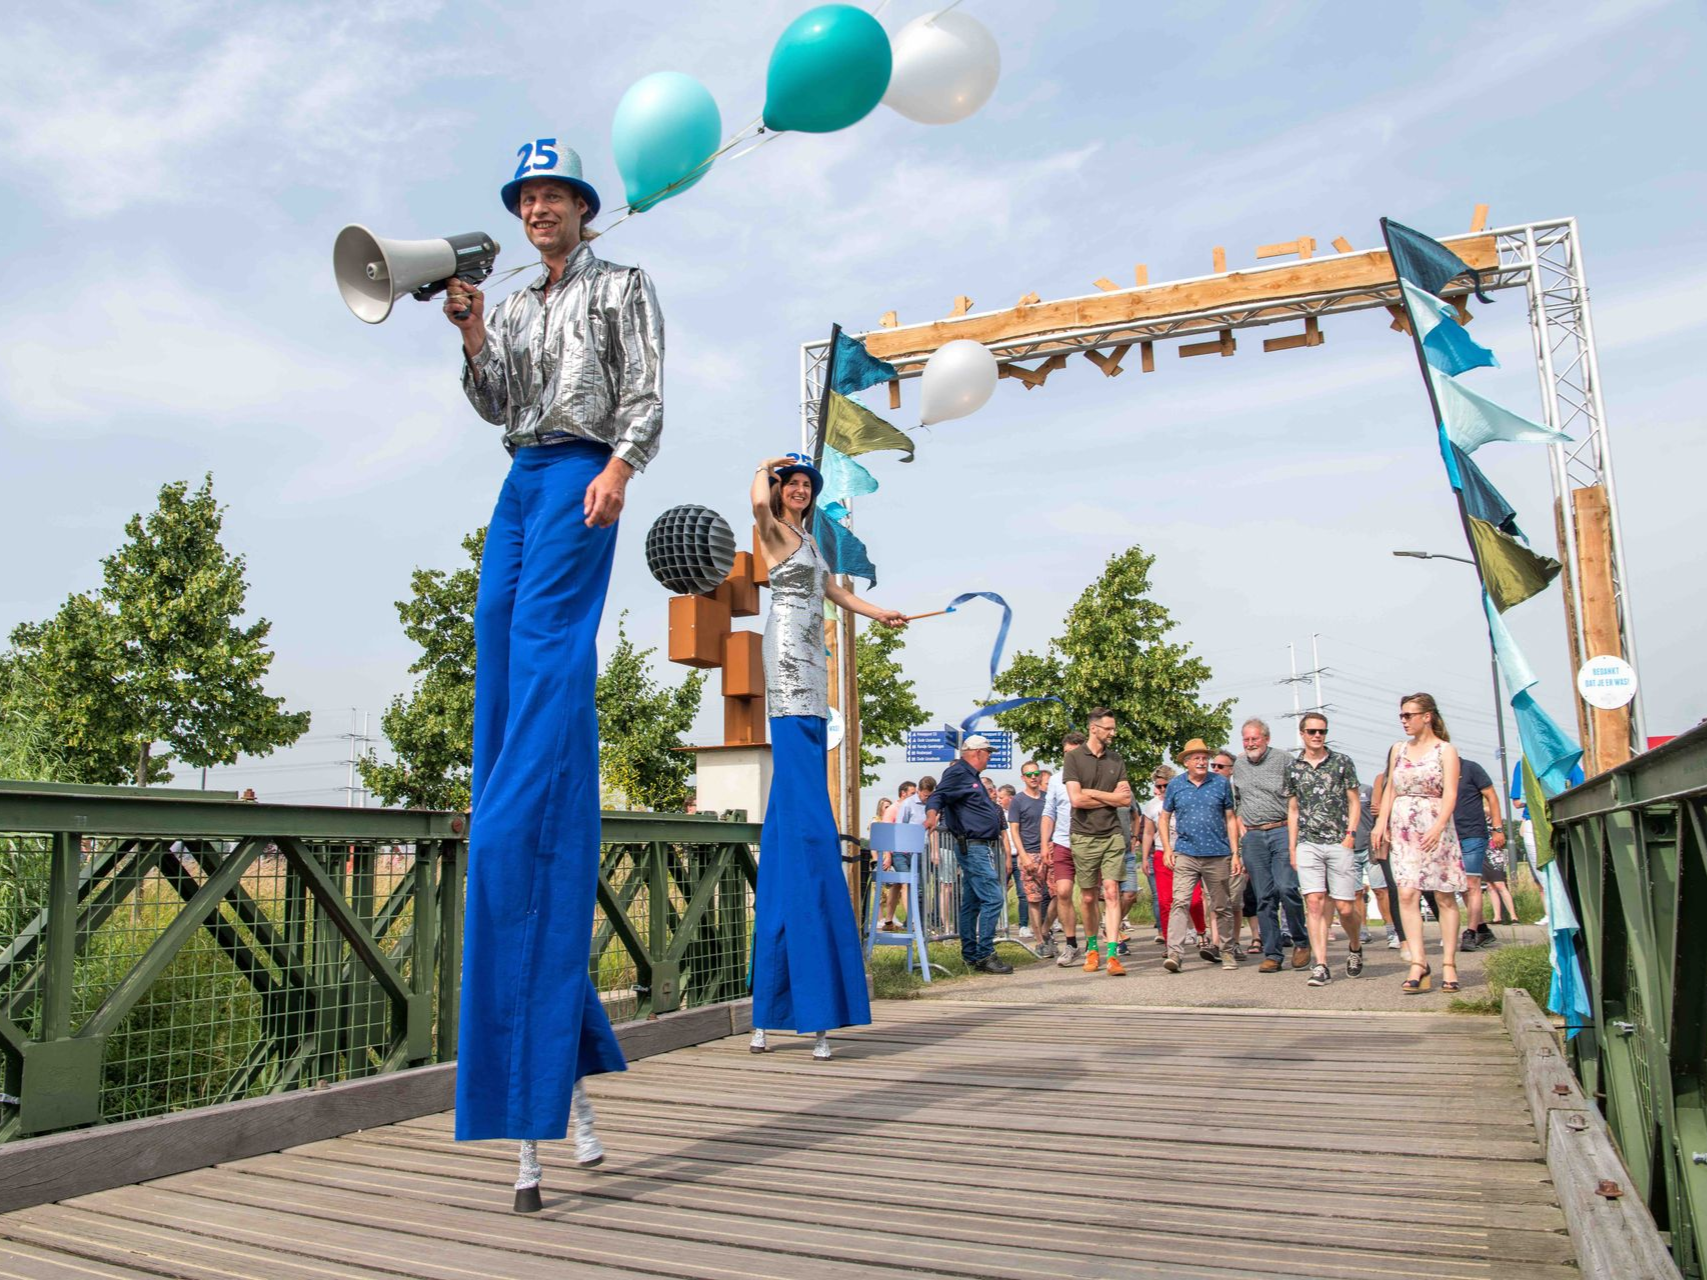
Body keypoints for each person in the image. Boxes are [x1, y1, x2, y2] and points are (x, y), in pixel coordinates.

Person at [448, 142, 662, 1209]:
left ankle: (511, 806)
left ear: (583, 208)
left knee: (542, 658)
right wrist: (476, 330)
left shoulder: (624, 285)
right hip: (521, 477)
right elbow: (497, 402)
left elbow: (648, 394)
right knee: (493, 632)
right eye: (526, 197)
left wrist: (622, 466)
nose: (540, 209)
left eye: (554, 196)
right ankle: (505, 791)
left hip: (583, 469)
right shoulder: (523, 302)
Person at [747, 453, 906, 1058]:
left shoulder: (813, 540)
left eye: (806, 486)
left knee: (790, 831)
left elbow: (838, 593)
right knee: (810, 832)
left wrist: (881, 611)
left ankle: (774, 1008)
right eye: (793, 483)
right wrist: (766, 462)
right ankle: (811, 1000)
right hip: (785, 662)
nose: (798, 491)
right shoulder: (771, 529)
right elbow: (756, 499)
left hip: (816, 669)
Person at [1371, 693, 1465, 994]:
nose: (1404, 721)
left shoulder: (1445, 750)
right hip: (1403, 829)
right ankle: (1419, 963)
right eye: (1401, 715)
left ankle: (1449, 964)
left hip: (1435, 826)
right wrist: (1380, 822)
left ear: (1427, 716)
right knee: (1407, 893)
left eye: (1409, 715)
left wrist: (1438, 827)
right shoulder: (1398, 750)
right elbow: (1390, 790)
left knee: (1443, 896)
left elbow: (1450, 793)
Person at [1283, 713, 1363, 986]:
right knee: (1314, 903)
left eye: (1322, 731)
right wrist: (1293, 847)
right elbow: (1292, 809)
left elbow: (1354, 801)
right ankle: (1321, 965)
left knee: (1345, 907)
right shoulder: (1294, 768)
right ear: (1302, 733)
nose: (1317, 736)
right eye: (1312, 731)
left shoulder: (1341, 762)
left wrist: (1351, 834)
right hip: (1308, 841)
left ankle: (1354, 945)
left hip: (1339, 840)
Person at [925, 736, 1014, 974]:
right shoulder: (958, 773)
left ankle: (971, 955)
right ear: (976, 753)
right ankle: (985, 954)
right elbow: (938, 795)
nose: (990, 756)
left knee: (972, 903)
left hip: (978, 845)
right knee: (994, 898)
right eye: (988, 752)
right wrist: (932, 814)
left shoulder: (969, 776)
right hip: (973, 846)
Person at [1160, 740, 1243, 972]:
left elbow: (1230, 818)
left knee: (1221, 905)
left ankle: (1227, 950)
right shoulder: (1176, 785)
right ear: (1186, 762)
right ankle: (1175, 953)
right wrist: (1168, 848)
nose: (1202, 761)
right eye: (1196, 758)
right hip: (1186, 852)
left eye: (1204, 757)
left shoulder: (1220, 783)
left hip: (1218, 853)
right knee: (1180, 902)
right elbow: (1164, 817)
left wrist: (1235, 853)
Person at [1233, 719, 1309, 973]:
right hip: (1253, 836)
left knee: (1287, 888)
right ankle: (1273, 953)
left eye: (1255, 738)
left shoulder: (1284, 759)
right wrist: (1242, 826)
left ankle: (1300, 941)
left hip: (1281, 830)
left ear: (1266, 738)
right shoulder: (1239, 764)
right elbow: (1238, 799)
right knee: (1264, 897)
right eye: (1246, 739)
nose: (1251, 743)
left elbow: (1298, 794)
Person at [1065, 709, 1134, 977]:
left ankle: (1113, 953)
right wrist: (1109, 796)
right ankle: (1092, 948)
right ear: (1094, 728)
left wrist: (1092, 792)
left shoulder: (1117, 759)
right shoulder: (1073, 758)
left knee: (1112, 892)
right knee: (1088, 895)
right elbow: (1076, 800)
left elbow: (1126, 800)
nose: (1113, 733)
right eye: (1109, 728)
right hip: (1083, 835)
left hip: (1112, 833)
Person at [1144, 766, 1205, 949]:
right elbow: (1148, 833)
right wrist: (1146, 857)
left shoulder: (1185, 798)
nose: (1163, 790)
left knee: (1194, 900)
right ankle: (1170, 943)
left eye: (1166, 785)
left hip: (1186, 852)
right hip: (1162, 853)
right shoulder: (1152, 806)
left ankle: (1201, 932)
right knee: (1165, 901)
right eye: (1159, 786)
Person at [1042, 732, 1086, 966]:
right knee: (1063, 892)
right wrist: (1044, 843)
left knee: (1089, 896)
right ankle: (1070, 944)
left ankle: (1092, 944)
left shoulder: (1092, 776)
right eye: (1066, 753)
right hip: (1062, 842)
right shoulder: (1057, 780)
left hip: (1088, 841)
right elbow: (1048, 813)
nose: (1069, 757)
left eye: (1073, 753)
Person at [1453, 757, 1504, 953]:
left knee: (1471, 883)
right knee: (1462, 887)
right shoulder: (1435, 772)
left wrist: (1497, 828)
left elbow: (1491, 795)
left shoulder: (1471, 768)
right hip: (1448, 835)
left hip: (1473, 833)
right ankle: (1482, 928)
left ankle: (1470, 933)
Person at [1212, 749, 1258, 954]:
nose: (1215, 769)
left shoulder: (1238, 792)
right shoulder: (1208, 789)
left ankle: (1235, 943)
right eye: (1214, 765)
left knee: (1235, 902)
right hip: (1212, 852)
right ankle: (1216, 944)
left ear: (1232, 770)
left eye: (1220, 766)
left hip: (1235, 853)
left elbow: (1243, 823)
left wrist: (1243, 854)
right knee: (1214, 901)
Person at [1008, 762, 1052, 954]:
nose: (1033, 777)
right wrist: (1023, 855)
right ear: (1023, 778)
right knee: (1033, 899)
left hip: (1050, 851)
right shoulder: (1018, 801)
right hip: (1029, 853)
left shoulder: (1048, 798)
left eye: (1036, 774)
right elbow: (1014, 830)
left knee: (1060, 893)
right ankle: (1040, 940)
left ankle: (1045, 928)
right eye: (1029, 775)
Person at [878, 783, 916, 930]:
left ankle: (888, 920)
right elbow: (886, 834)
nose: (915, 796)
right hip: (897, 853)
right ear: (903, 793)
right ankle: (912, 920)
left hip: (909, 852)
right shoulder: (893, 809)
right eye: (912, 793)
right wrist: (887, 856)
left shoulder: (910, 808)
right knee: (906, 884)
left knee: (897, 886)